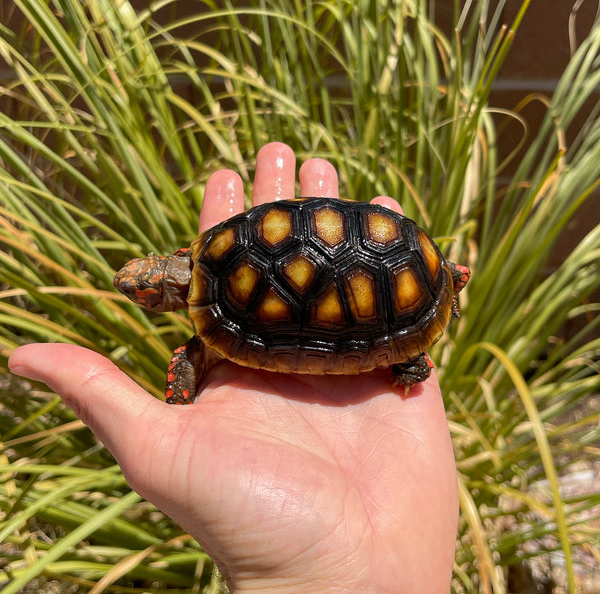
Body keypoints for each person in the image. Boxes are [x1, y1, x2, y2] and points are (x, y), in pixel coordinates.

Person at [9, 143, 458, 593]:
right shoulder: (220, 242)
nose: (136, 294)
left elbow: (194, 357)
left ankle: (411, 349)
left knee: (197, 354)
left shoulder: (215, 266)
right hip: (399, 242)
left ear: (164, 292)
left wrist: (178, 405)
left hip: (395, 295)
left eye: (142, 293)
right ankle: (428, 304)